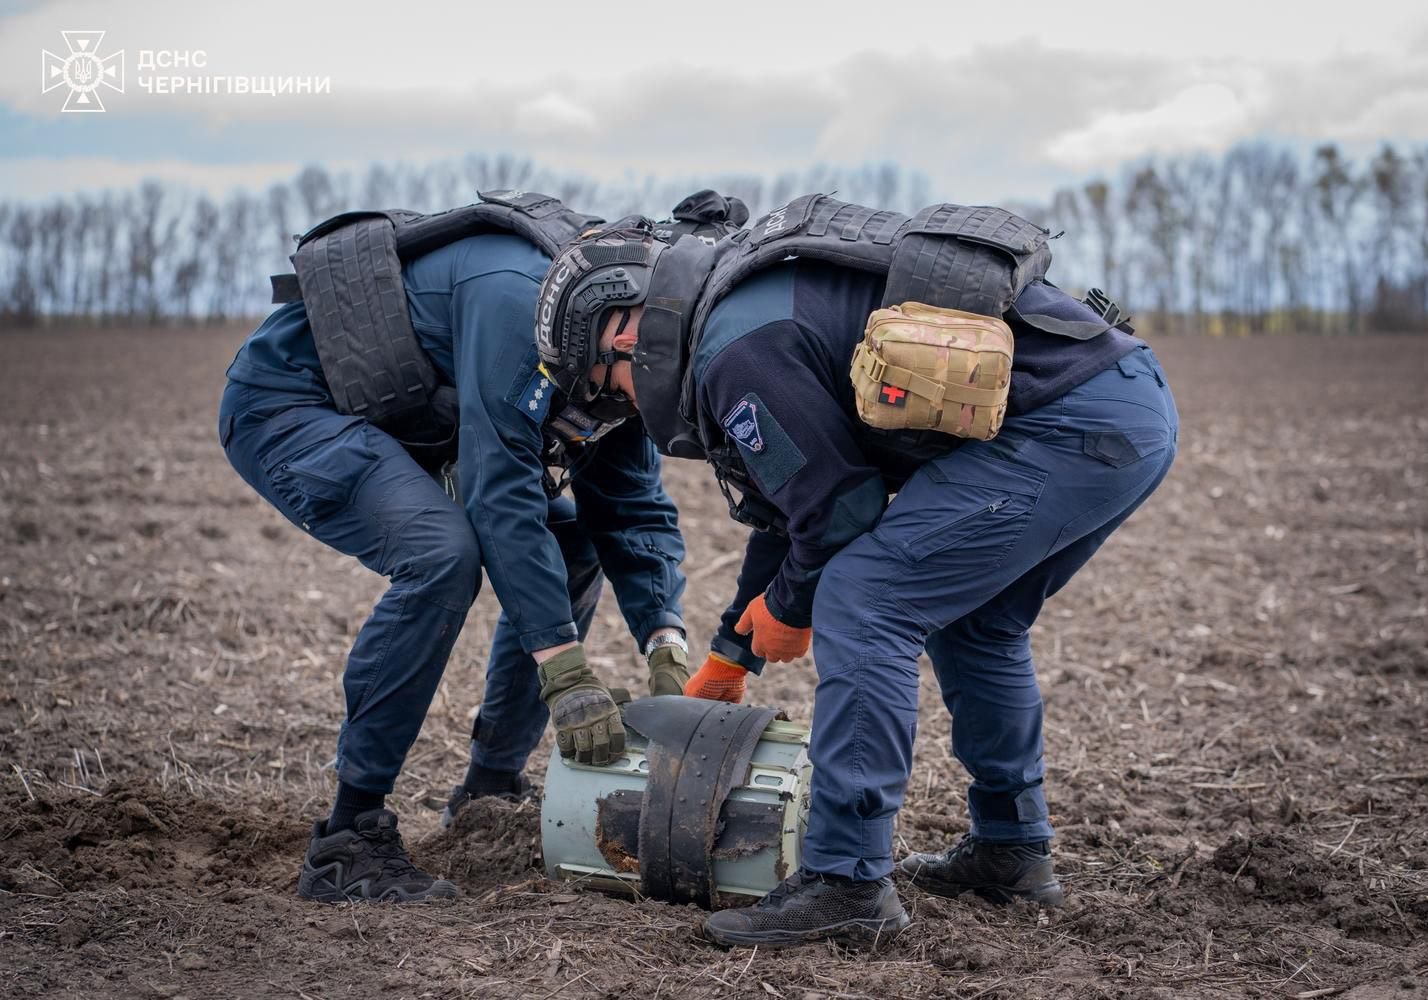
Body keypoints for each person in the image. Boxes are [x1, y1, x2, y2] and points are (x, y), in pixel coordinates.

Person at [534, 195, 1178, 946]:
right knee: (979, 624)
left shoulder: (733, 354)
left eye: (603, 381)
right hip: (1120, 404)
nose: (620, 401)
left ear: (625, 334)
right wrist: (732, 656)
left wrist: (792, 605)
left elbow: (840, 513)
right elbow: (797, 504)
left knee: (865, 599)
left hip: (1069, 426)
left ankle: (847, 882)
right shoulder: (737, 311)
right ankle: (1011, 848)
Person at [218, 190, 743, 903]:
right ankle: (347, 840)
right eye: (637, 387)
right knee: (442, 556)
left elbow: (630, 509)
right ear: (617, 337)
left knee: (574, 542)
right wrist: (566, 674)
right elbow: (502, 500)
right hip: (290, 404)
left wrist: (665, 645)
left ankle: (489, 787)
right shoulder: (518, 306)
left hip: (408, 422)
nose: (640, 404)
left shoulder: (625, 353)